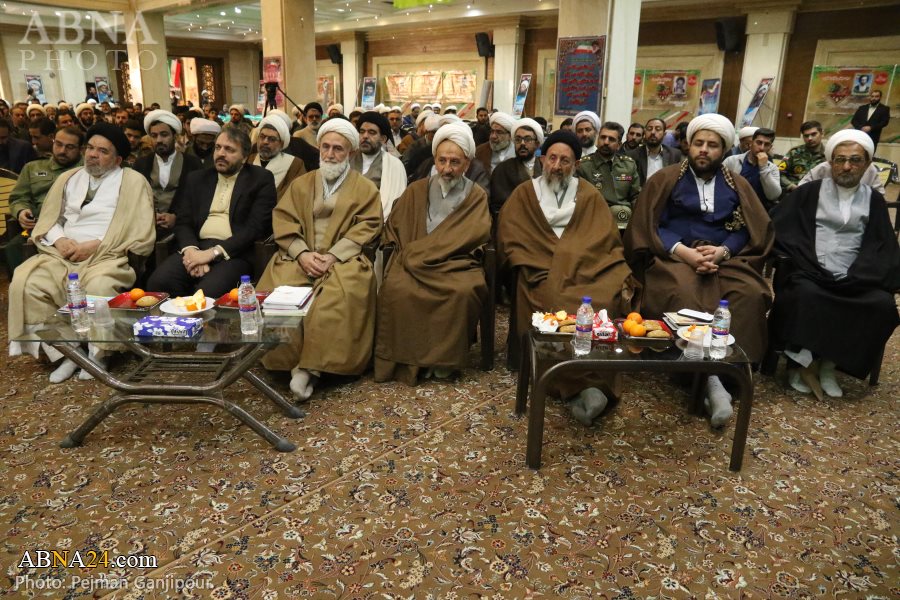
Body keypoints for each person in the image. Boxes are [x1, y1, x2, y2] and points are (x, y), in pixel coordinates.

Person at [624, 113, 773, 427]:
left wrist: (723, 250)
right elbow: (650, 224)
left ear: (724, 150)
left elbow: (749, 228)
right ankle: (702, 378)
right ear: (688, 146)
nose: (704, 150)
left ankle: (727, 373)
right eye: (699, 143)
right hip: (674, 256)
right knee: (682, 291)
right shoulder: (665, 179)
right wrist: (684, 252)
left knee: (749, 294)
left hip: (725, 259)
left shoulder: (737, 184)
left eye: (712, 145)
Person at [498, 130, 640, 425]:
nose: (557, 166)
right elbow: (511, 236)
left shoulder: (589, 194)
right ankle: (572, 384)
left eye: (565, 161)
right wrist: (550, 259)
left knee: (605, 299)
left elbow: (605, 238)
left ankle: (595, 380)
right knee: (555, 303)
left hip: (587, 268)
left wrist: (574, 258)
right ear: (542, 160)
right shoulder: (525, 193)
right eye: (552, 158)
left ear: (576, 164)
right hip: (541, 270)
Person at [8, 123, 155, 382]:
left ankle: (98, 354)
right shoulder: (68, 177)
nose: (93, 155)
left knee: (99, 286)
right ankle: (68, 353)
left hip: (107, 254)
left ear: (118, 159)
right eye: (90, 148)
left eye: (103, 151)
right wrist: (60, 240)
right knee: (26, 282)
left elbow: (139, 228)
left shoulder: (133, 182)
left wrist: (96, 244)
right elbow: (50, 218)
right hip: (61, 254)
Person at [256, 118, 382, 401]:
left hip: (343, 259)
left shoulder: (365, 189)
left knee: (336, 298)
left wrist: (333, 256)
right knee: (281, 294)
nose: (330, 154)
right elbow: (284, 219)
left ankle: (308, 369)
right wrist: (302, 253)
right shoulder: (301, 184)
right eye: (325, 147)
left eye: (338, 149)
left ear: (351, 153)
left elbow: (369, 225)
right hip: (298, 256)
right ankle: (287, 361)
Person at [768, 129, 900, 398]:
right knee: (805, 294)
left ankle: (830, 364)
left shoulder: (874, 199)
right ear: (830, 162)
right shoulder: (809, 192)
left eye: (855, 160)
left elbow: (882, 242)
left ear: (867, 164)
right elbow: (779, 226)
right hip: (810, 268)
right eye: (840, 159)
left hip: (856, 274)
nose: (846, 166)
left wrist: (865, 271)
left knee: (881, 304)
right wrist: (803, 258)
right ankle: (800, 364)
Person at [375, 122, 491, 385]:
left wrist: (430, 254)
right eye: (442, 161)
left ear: (467, 163)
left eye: (455, 162)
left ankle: (443, 360)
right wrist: (416, 252)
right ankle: (410, 360)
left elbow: (475, 234)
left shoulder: (476, 196)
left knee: (463, 291)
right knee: (397, 288)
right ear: (435, 159)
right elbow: (396, 225)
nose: (447, 169)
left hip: (455, 263)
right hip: (413, 260)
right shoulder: (416, 189)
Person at [146, 127, 277, 298]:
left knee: (208, 293)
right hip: (196, 246)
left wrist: (212, 254)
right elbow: (183, 221)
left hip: (234, 253)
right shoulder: (197, 179)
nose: (221, 153)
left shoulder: (260, 179)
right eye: (218, 147)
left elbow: (255, 227)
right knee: (159, 283)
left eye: (229, 149)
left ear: (245, 157)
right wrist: (192, 252)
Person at [6, 126, 84, 271]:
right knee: (14, 247)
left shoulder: (88, 170)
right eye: (58, 144)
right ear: (53, 141)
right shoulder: (33, 167)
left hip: (75, 225)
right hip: (40, 226)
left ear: (81, 149)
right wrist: (21, 211)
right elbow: (18, 197)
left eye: (70, 147)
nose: (62, 151)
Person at [133, 110, 204, 235]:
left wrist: (176, 217)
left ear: (175, 136)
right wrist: (150, 216)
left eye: (164, 135)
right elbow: (134, 199)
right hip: (145, 227)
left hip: (182, 228)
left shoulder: (192, 163)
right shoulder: (141, 164)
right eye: (154, 136)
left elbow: (198, 200)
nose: (159, 140)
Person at [575, 121, 641, 229]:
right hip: (594, 220)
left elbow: (635, 196)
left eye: (611, 139)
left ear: (619, 145)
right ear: (598, 140)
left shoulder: (628, 165)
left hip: (625, 220)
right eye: (603, 137)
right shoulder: (584, 165)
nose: (606, 142)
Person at [351, 111, 407, 219]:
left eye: (372, 132)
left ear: (383, 139)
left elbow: (395, 205)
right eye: (362, 132)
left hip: (378, 222)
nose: (365, 136)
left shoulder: (394, 165)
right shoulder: (347, 160)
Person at [489, 118, 544, 217]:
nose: (522, 143)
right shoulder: (502, 169)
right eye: (518, 140)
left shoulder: (545, 167)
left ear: (537, 144)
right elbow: (497, 206)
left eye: (527, 139)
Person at [245, 111, 306, 199]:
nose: (265, 142)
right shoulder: (249, 159)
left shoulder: (295, 164)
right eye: (262, 137)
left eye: (272, 139)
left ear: (281, 144)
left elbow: (295, 194)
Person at [723, 127, 781, 209]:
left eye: (766, 144)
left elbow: (773, 196)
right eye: (759, 143)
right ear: (751, 143)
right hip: (732, 207)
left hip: (758, 209)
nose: (762, 148)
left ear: (770, 147)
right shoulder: (732, 161)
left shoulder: (772, 168)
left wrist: (764, 168)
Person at [626, 118, 682, 185]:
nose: (653, 132)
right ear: (645, 133)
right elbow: (626, 180)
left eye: (658, 129)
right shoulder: (631, 155)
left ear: (664, 134)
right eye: (649, 129)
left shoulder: (674, 154)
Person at [779, 120, 825, 194]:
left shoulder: (828, 155)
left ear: (822, 134)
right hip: (794, 192)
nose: (810, 138)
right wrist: (791, 186)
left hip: (818, 193)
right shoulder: (794, 152)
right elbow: (779, 173)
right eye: (806, 136)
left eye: (813, 134)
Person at [474, 112, 515, 176]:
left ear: (510, 136)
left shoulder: (517, 152)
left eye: (499, 132)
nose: (493, 136)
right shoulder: (480, 151)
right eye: (492, 131)